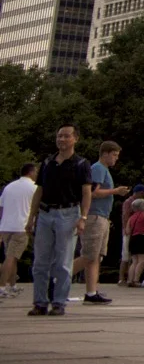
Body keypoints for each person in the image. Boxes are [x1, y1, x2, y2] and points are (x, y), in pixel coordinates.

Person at [26, 125, 92, 317]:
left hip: (69, 213)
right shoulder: (47, 162)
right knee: (40, 262)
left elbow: (86, 192)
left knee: (63, 262)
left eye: (66, 136)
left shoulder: (81, 164)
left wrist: (83, 217)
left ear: (75, 139)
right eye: (59, 136)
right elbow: (39, 190)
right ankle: (39, 302)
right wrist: (31, 217)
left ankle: (59, 302)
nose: (62, 139)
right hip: (46, 213)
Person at [79, 138, 126, 304]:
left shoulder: (103, 169)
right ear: (105, 154)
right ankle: (57, 277)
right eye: (114, 155)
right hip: (95, 216)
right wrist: (115, 191)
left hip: (102, 216)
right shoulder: (98, 168)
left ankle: (91, 292)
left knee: (96, 256)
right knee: (89, 255)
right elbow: (93, 192)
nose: (115, 158)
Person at [1, 162, 37, 299]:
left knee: (12, 256)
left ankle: (12, 285)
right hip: (21, 227)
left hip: (6, 226)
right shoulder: (33, 188)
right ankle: (2, 286)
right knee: (11, 257)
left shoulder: (9, 187)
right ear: (31, 172)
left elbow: (1, 207)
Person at [123, 197, 144, 289]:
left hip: (133, 239)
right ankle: (136, 280)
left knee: (134, 261)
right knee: (142, 261)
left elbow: (127, 231)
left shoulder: (131, 217)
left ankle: (130, 279)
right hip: (143, 238)